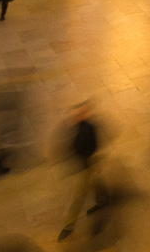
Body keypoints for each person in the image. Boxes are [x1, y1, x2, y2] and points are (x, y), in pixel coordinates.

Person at [57, 103, 108, 241]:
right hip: (86, 163)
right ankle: (102, 200)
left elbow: (93, 146)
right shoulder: (78, 126)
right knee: (95, 182)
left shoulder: (89, 128)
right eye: (75, 114)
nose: (74, 116)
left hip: (87, 164)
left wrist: (85, 157)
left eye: (78, 114)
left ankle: (68, 226)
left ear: (84, 114)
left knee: (78, 197)